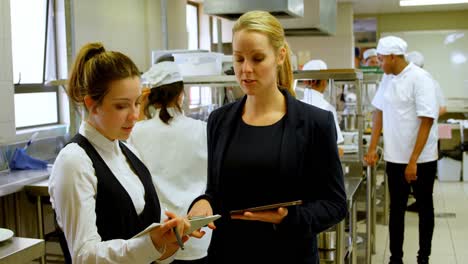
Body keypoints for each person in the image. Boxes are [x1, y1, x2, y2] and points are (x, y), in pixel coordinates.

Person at [188, 10, 347, 264]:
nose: (246, 70)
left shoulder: (315, 123)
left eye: (257, 58)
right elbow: (216, 191)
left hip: (288, 256)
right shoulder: (219, 121)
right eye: (239, 59)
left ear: (280, 55)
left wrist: (289, 218)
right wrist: (202, 204)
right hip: (228, 255)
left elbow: (335, 204)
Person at [49, 42, 196, 264]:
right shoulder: (75, 162)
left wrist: (168, 241)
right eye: (121, 106)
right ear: (92, 105)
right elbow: (83, 256)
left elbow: (149, 250)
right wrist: (150, 244)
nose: (135, 115)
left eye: (137, 103)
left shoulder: (127, 149)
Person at [128, 61, 212, 264]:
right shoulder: (202, 130)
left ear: (152, 96)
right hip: (196, 231)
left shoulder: (137, 132)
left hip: (158, 232)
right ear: (181, 93)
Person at [364, 36, 439, 264]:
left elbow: (426, 120)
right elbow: (379, 112)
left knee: (425, 207)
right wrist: (373, 146)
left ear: (394, 57)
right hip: (395, 158)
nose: (379, 63)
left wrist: (413, 160)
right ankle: (396, 258)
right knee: (396, 210)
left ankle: (423, 256)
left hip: (421, 159)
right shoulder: (388, 79)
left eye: (381, 58)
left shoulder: (420, 78)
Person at [301, 59, 345, 156]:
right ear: (324, 82)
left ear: (305, 82)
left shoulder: (295, 105)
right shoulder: (327, 108)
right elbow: (335, 145)